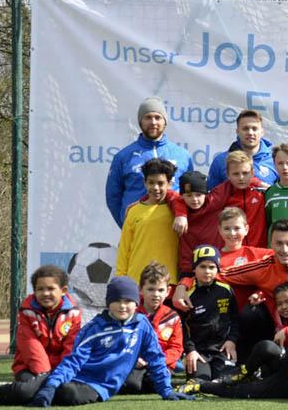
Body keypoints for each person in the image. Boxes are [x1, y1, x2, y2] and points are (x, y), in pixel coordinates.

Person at [173, 219, 288, 357]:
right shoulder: (262, 267)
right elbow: (217, 274)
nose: (284, 250)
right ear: (271, 244)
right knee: (251, 313)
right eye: (279, 243)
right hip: (276, 328)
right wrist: (184, 284)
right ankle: (248, 359)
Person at [24, 277, 191, 407]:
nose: (123, 306)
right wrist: (51, 385)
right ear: (108, 302)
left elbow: (156, 358)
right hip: (77, 378)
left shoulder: (141, 324)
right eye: (117, 301)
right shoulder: (95, 328)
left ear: (136, 302)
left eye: (128, 301)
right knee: (23, 391)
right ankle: (43, 386)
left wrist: (166, 391)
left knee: (69, 394)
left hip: (98, 387)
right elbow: (74, 361)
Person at [0, 266, 82, 406]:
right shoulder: (27, 312)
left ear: (63, 291)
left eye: (50, 289)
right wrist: (46, 376)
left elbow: (71, 348)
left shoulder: (73, 314)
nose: (45, 293)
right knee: (25, 392)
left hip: (61, 371)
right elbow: (32, 348)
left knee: (65, 393)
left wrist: (59, 375)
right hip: (31, 368)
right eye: (40, 289)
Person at [105, 96, 193, 227]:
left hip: (172, 229)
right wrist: (126, 224)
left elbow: (190, 193)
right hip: (137, 229)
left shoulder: (183, 156)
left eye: (158, 117)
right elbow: (113, 197)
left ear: (165, 121)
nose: (153, 122)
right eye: (148, 117)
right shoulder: (123, 156)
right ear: (140, 122)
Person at [120, 262, 183, 395]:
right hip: (136, 363)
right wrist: (134, 358)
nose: (156, 294)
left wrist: (159, 361)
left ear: (168, 291)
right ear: (141, 290)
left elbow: (176, 348)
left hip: (161, 363)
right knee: (131, 386)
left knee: (155, 385)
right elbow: (121, 341)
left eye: (160, 290)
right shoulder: (131, 314)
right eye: (150, 289)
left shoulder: (173, 317)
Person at [180, 245, 238, 383]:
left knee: (226, 383)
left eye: (212, 267)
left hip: (222, 350)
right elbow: (182, 327)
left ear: (217, 268)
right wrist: (190, 350)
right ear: (194, 268)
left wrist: (232, 341)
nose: (207, 271)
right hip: (199, 352)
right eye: (202, 266)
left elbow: (235, 319)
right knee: (200, 382)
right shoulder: (187, 295)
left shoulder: (226, 290)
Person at [115, 158, 179, 281]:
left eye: (160, 183)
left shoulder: (177, 211)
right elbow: (124, 249)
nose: (155, 187)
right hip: (137, 280)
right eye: (151, 182)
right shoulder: (134, 211)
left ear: (170, 184)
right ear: (145, 183)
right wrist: (121, 278)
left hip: (169, 283)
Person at [207, 109, 278, 190]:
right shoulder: (221, 161)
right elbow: (211, 197)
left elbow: (286, 191)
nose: (250, 133)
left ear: (262, 132)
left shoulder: (274, 159)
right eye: (245, 128)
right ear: (237, 131)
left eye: (254, 129)